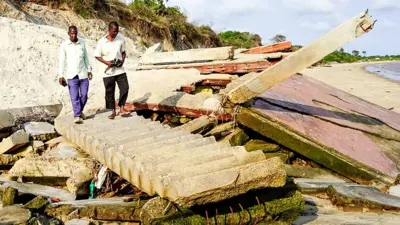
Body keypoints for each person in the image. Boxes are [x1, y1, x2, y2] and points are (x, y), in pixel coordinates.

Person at [95, 21, 130, 120]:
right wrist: (107, 63)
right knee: (109, 92)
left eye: (117, 31)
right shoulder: (102, 42)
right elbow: (97, 55)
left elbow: (123, 52)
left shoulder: (120, 39)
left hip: (119, 69)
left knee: (125, 88)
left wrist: (122, 61)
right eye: (114, 31)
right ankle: (113, 111)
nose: (115, 33)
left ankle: (122, 107)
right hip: (108, 71)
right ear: (109, 30)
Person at [59, 26, 92, 124]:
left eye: (75, 33)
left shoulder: (82, 42)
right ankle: (77, 115)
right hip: (71, 75)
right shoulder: (65, 45)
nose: (73, 35)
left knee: (84, 95)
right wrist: (61, 75)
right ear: (68, 33)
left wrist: (89, 70)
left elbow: (86, 57)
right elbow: (62, 61)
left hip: (83, 74)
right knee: (74, 97)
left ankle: (79, 111)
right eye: (71, 33)